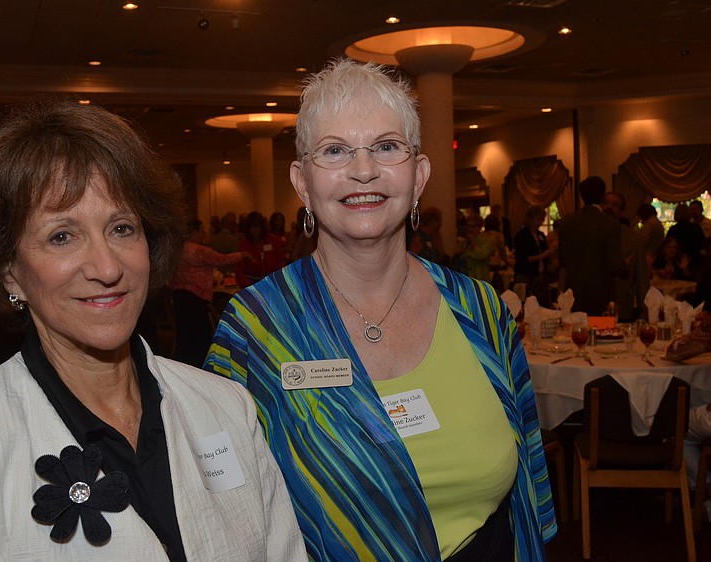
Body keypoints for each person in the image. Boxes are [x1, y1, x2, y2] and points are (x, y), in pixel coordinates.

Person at [0, 101, 305, 561]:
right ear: (9, 272)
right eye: (61, 236)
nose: (107, 268)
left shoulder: (226, 407)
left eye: (122, 228)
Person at [205, 59, 555, 561]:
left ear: (419, 175)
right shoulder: (256, 328)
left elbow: (530, 483)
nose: (363, 170)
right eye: (335, 151)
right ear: (302, 183)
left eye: (387, 147)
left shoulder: (480, 312)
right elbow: (223, 506)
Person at [170, 219, 249, 367]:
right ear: (195, 232)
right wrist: (242, 255)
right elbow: (221, 259)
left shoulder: (177, 249)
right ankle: (202, 368)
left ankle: (183, 368)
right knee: (199, 338)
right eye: (202, 231)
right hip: (196, 297)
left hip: (179, 296)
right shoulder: (198, 250)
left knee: (185, 337)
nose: (204, 234)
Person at [558, 176, 627, 315]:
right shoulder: (609, 224)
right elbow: (613, 263)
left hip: (574, 290)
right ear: (602, 196)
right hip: (600, 291)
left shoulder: (567, 222)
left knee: (575, 331)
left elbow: (563, 259)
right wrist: (625, 267)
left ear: (582, 196)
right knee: (601, 331)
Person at [602, 191, 642, 321]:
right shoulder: (590, 233)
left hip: (623, 301)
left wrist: (643, 309)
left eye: (614, 205)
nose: (609, 207)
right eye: (606, 203)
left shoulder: (633, 237)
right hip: (595, 304)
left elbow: (641, 277)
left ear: (621, 211)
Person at [234, 210, 286, 287]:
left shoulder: (273, 240)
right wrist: (247, 285)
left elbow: (280, 261)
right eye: (251, 227)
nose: (254, 230)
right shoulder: (243, 245)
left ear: (262, 227)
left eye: (257, 227)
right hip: (251, 283)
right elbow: (239, 269)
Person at [513, 206, 552, 306]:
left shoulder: (541, 235)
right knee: (527, 303)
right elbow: (523, 259)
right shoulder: (521, 236)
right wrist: (542, 255)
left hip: (540, 274)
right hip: (526, 274)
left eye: (542, 220)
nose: (540, 222)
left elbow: (546, 251)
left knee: (541, 303)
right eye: (538, 219)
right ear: (530, 219)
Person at [667, 203, 705, 272]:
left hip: (677, 260)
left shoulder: (673, 230)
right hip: (695, 260)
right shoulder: (696, 227)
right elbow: (702, 245)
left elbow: (667, 245)